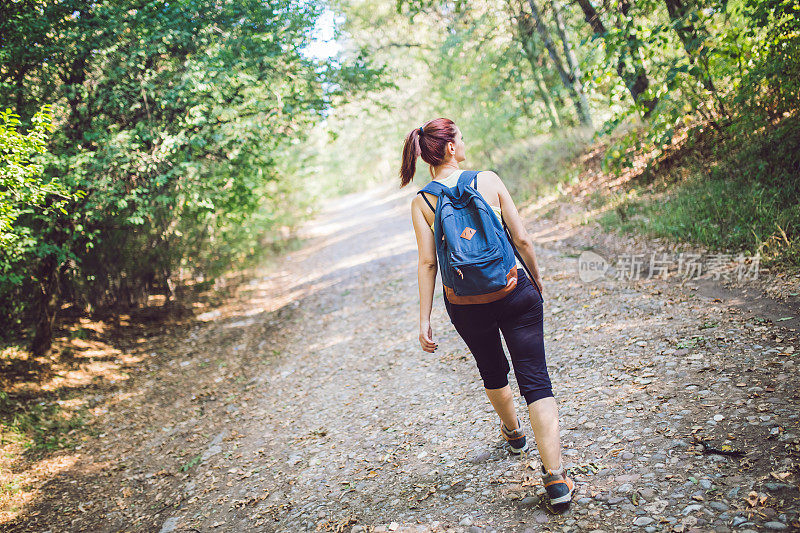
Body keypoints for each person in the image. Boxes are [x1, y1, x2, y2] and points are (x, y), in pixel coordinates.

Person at [400, 117, 574, 509]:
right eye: (460, 138)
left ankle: (512, 433)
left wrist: (424, 319)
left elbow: (428, 264)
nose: (464, 144)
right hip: (515, 291)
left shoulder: (422, 202)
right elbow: (522, 238)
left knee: (491, 369)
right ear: (448, 148)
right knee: (536, 381)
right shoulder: (489, 180)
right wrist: (535, 278)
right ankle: (555, 480)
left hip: (465, 304)